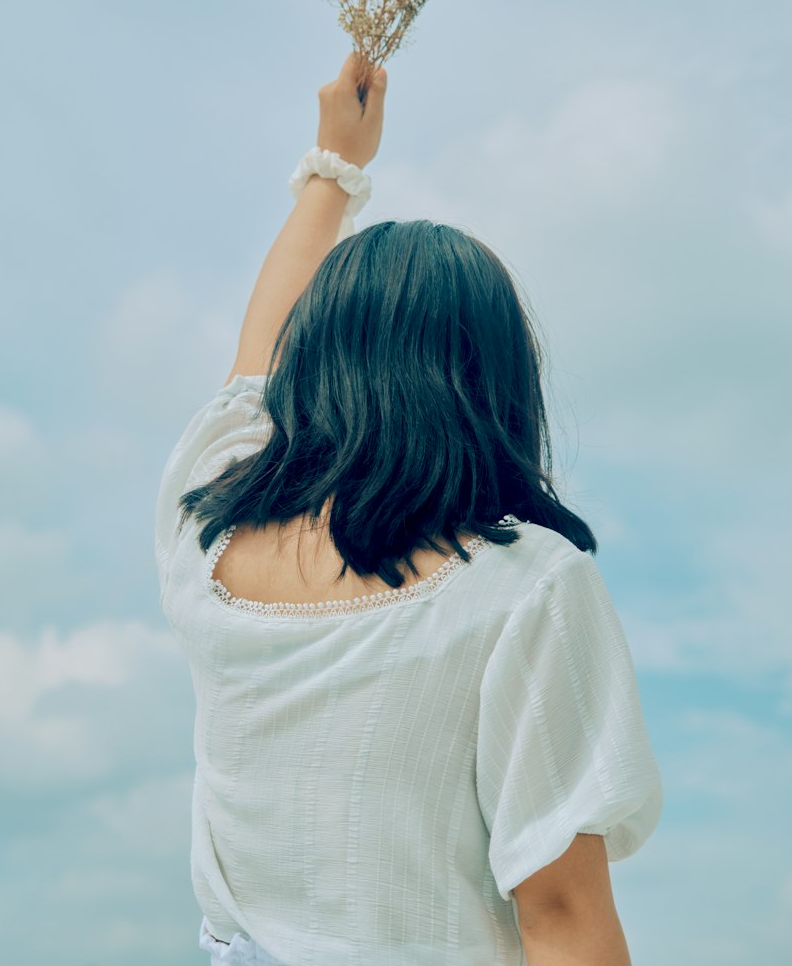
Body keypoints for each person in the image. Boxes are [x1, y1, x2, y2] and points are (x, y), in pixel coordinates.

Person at [155, 52, 663, 965]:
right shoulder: (525, 589)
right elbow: (560, 913)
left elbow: (250, 363)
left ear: (315, 364)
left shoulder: (207, 532)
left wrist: (332, 164)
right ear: (496, 384)